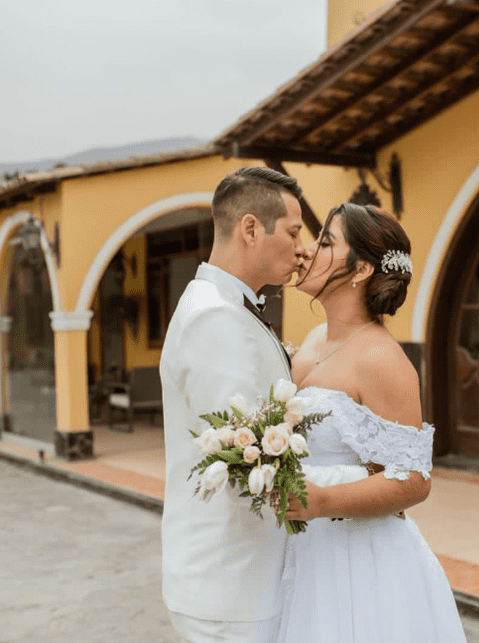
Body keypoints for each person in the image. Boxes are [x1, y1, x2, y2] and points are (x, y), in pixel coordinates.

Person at [273, 203, 468, 642]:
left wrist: (322, 501)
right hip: (306, 551)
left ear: (360, 268)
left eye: (325, 242)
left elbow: (414, 481)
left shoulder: (382, 359)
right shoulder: (313, 339)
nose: (306, 250)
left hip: (359, 561)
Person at [159, 166, 306, 643]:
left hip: (234, 581)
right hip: (234, 583)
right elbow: (244, 455)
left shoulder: (219, 306)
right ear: (250, 228)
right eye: (293, 231)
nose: (302, 247)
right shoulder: (216, 318)